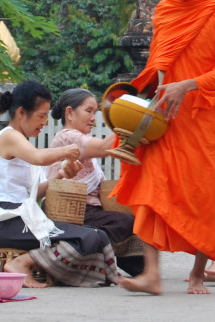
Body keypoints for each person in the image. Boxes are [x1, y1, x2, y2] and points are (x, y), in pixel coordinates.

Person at [112, 0, 215, 295]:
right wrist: (138, 92)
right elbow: (159, 62)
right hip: (166, 117)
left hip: (206, 116)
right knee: (151, 187)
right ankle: (152, 274)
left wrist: (187, 86)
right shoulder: (164, 10)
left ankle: (197, 272)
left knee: (207, 194)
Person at [0, 81, 119, 289]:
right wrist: (68, 150)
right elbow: (38, 157)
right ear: (22, 112)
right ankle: (22, 263)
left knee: (96, 235)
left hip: (22, 219)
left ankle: (37, 264)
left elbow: (36, 193)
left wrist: (60, 175)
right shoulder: (9, 136)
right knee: (88, 237)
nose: (43, 122)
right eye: (40, 116)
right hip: (7, 223)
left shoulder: (20, 141)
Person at [47, 89, 144, 277]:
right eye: (88, 111)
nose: (93, 118)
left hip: (89, 209)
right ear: (69, 113)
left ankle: (139, 270)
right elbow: (104, 147)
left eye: (95, 112)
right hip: (73, 209)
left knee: (133, 216)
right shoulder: (67, 137)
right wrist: (133, 119)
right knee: (125, 222)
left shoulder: (78, 140)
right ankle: (137, 270)